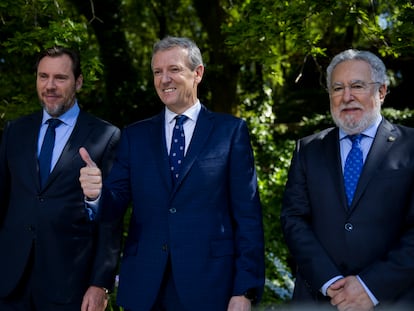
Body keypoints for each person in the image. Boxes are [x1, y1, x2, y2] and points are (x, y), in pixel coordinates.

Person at [79, 36, 265, 311]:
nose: (164, 79)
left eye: (174, 69)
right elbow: (114, 205)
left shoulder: (230, 132)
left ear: (197, 73)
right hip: (145, 288)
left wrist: (245, 290)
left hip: (210, 287)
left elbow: (247, 216)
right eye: (157, 72)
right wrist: (96, 195)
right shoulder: (135, 136)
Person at [281, 49, 414, 311]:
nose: (347, 96)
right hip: (319, 299)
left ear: (382, 92)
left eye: (357, 86)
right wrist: (329, 280)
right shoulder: (308, 149)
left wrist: (370, 286)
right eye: (338, 88)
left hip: (393, 298)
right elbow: (293, 219)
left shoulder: (410, 146)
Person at [0, 46, 121, 311]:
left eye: (60, 78)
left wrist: (100, 283)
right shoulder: (15, 132)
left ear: (78, 81)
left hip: (68, 286)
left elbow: (110, 220)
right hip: (9, 282)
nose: (50, 85)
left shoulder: (105, 136)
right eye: (43, 76)